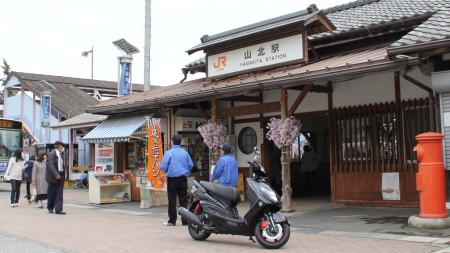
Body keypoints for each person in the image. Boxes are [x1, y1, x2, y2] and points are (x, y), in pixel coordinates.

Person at [160, 134, 193, 226]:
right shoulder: (185, 153)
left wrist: (167, 170)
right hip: (183, 179)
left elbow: (163, 166)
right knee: (183, 200)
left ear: (172, 142)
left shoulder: (169, 153)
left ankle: (172, 220)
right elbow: (190, 165)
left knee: (172, 200)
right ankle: (185, 220)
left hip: (172, 179)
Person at [46, 141, 66, 215]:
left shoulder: (61, 155)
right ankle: (50, 208)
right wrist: (56, 174)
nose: (62, 148)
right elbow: (50, 165)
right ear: (59, 146)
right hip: (53, 176)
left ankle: (58, 209)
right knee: (52, 193)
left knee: (59, 193)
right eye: (62, 146)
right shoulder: (51, 154)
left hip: (61, 174)